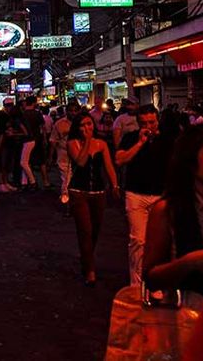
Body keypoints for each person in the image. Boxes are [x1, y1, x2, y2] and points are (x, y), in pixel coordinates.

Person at [143, 124, 203, 297]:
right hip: (188, 315)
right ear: (191, 162)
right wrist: (189, 263)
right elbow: (151, 279)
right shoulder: (168, 210)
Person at [115, 104, 174, 285]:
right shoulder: (131, 138)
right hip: (136, 194)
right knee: (138, 240)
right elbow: (120, 160)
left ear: (158, 120)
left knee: (162, 240)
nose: (149, 126)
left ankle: (157, 281)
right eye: (144, 123)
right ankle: (137, 284)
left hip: (160, 195)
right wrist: (140, 143)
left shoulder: (169, 139)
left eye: (152, 122)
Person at [67, 111, 118, 285]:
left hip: (98, 192)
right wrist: (87, 142)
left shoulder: (102, 144)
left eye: (89, 124)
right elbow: (80, 163)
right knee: (85, 230)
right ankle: (90, 269)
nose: (86, 128)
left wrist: (115, 185)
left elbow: (109, 166)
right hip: (78, 192)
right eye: (82, 125)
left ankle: (86, 258)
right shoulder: (72, 143)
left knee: (95, 231)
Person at [49, 99, 80, 202]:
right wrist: (50, 157)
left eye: (75, 111)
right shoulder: (59, 124)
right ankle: (67, 198)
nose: (73, 113)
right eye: (71, 111)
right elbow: (53, 141)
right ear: (67, 111)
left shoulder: (83, 122)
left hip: (80, 154)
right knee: (66, 178)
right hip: (64, 154)